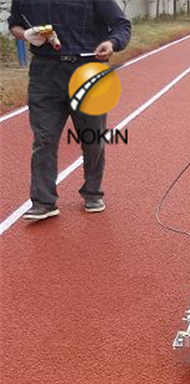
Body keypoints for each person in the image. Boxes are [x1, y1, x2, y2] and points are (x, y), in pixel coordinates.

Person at [8, 0, 131, 222]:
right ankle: (43, 201)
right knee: (44, 138)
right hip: (45, 73)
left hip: (87, 69)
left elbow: (122, 25)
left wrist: (112, 43)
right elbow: (15, 25)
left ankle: (92, 192)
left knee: (92, 138)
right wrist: (26, 35)